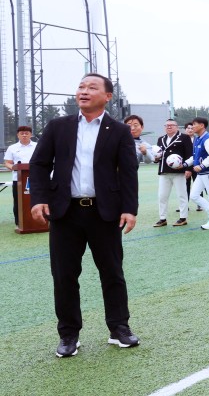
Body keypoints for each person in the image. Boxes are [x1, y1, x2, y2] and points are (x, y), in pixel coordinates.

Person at [28, 73, 140, 358]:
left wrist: (129, 209)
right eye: (81, 86)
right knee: (64, 275)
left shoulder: (118, 131)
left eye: (92, 87)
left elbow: (128, 173)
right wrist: (39, 199)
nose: (84, 91)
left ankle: (119, 328)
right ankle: (68, 335)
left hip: (105, 214)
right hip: (65, 213)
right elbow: (39, 164)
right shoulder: (58, 127)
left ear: (107, 97)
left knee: (112, 273)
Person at [153, 119, 193, 227]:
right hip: (164, 172)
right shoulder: (161, 139)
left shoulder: (184, 138)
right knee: (162, 196)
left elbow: (190, 154)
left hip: (179, 171)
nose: (169, 127)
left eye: (171, 125)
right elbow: (157, 155)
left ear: (177, 127)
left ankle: (183, 218)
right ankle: (162, 219)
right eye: (167, 125)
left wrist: (188, 169)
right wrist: (155, 159)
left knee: (182, 195)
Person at [183, 117, 209, 230]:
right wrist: (184, 164)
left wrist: (202, 165)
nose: (192, 126)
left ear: (202, 126)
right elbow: (195, 157)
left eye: (194, 124)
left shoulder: (208, 139)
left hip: (208, 172)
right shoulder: (198, 138)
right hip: (201, 174)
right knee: (194, 195)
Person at [4, 125, 36, 225]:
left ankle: (38, 220)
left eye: (27, 133)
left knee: (36, 198)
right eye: (22, 133)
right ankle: (19, 221)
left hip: (36, 178)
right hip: (18, 179)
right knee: (18, 201)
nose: (24, 135)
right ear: (18, 135)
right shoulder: (12, 148)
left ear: (31, 134)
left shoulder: (38, 146)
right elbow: (8, 162)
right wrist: (14, 168)